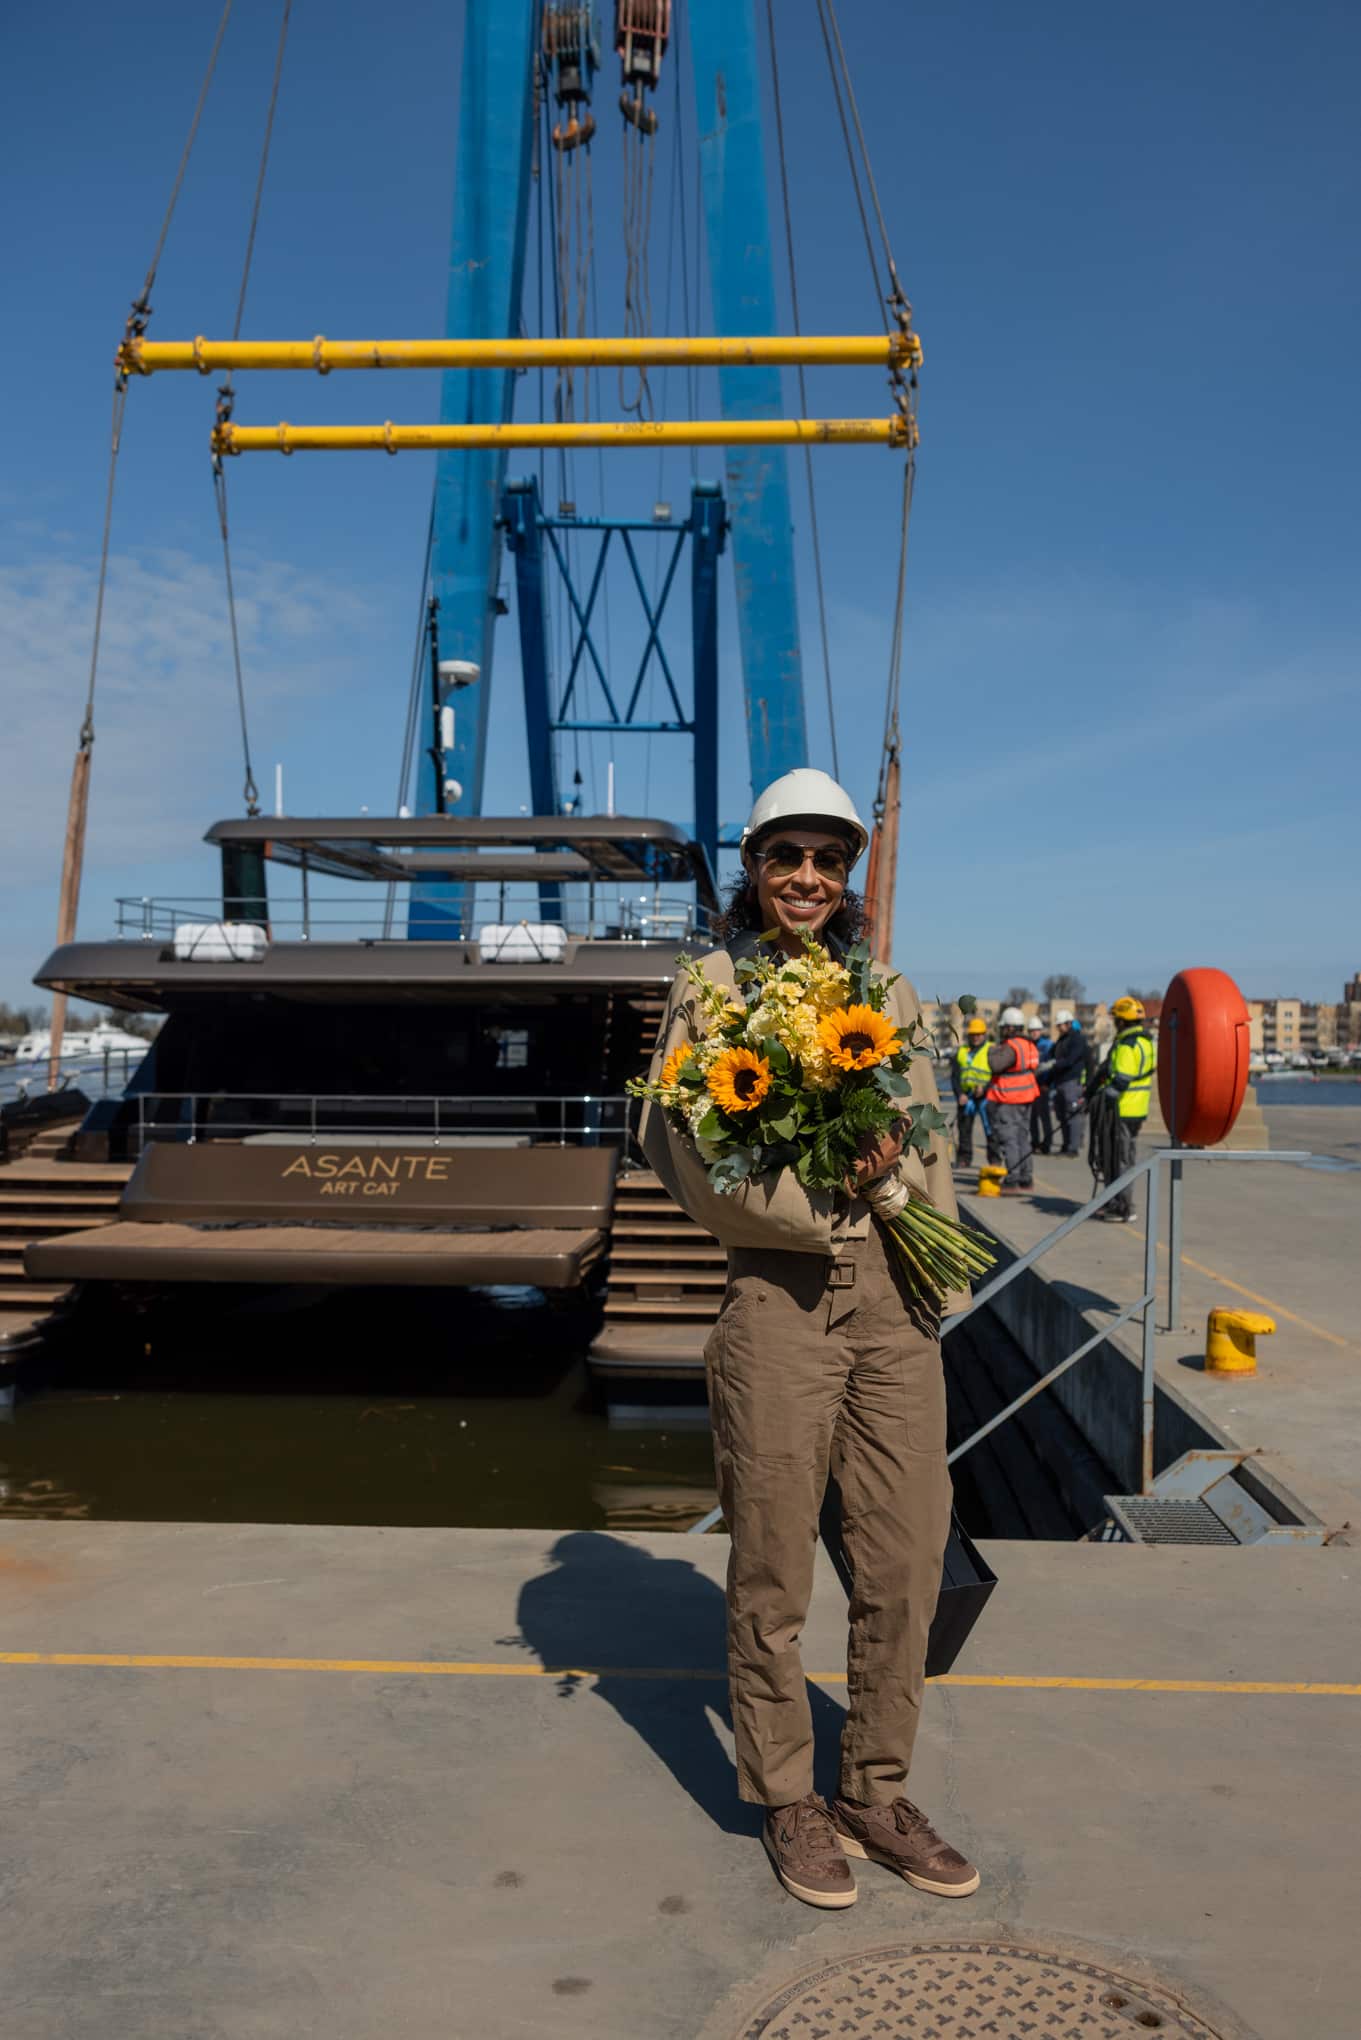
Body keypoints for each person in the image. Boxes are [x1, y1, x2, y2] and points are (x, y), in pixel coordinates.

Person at [640, 767, 980, 1911]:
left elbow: (927, 1134)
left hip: (893, 1300)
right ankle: (787, 1794)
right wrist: (819, 1206)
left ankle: (873, 1792)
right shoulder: (711, 990)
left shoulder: (886, 989)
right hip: (779, 1294)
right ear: (750, 867)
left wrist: (905, 1208)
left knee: (904, 1557)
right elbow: (681, 1146)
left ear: (846, 875)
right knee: (773, 1561)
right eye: (784, 856)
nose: (805, 877)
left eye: (826, 860)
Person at [1089, 996, 1157, 1221]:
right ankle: (1115, 1201)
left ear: (1122, 1020)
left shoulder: (1128, 1045)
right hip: (1136, 1109)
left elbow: (1122, 1079)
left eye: (1116, 1019)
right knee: (1124, 1157)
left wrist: (1102, 1096)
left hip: (1122, 1109)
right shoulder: (1145, 1041)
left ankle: (1121, 1206)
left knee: (1119, 1159)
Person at [983, 1006, 1040, 1193]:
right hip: (1027, 1096)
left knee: (1009, 1139)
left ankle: (1012, 1179)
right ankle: (1026, 1178)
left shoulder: (1010, 1046)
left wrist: (992, 1051)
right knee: (1023, 1138)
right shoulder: (1029, 1044)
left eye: (1003, 1028)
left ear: (1009, 1027)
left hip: (1009, 1098)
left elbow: (995, 1065)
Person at [950, 1015, 992, 1168]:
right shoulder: (961, 1051)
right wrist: (959, 1094)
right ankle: (964, 1158)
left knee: (990, 1129)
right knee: (964, 1129)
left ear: (984, 1034)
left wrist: (984, 1088)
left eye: (979, 1034)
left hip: (985, 1096)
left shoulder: (991, 1050)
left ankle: (994, 1159)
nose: (976, 1037)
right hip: (966, 1097)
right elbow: (955, 1076)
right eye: (973, 1034)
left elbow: (996, 1076)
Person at [1049, 1009, 1092, 1156]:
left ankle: (1073, 1148)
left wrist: (1054, 1064)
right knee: (1062, 1115)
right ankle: (1066, 1145)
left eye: (1060, 1025)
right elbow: (1054, 1056)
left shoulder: (1077, 1039)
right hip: (1060, 1082)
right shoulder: (1061, 1040)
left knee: (1072, 1115)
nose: (1058, 1028)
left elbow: (1071, 1060)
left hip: (1072, 1082)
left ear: (1068, 1024)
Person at [1025, 1014, 1054, 1157]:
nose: (1034, 1033)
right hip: (1030, 1086)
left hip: (1043, 1086)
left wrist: (1047, 1083)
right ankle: (1035, 1142)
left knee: (1044, 1116)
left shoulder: (1048, 1045)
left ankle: (1047, 1144)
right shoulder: (1027, 1045)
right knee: (1032, 1117)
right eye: (1031, 1030)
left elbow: (1052, 1066)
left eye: (1036, 1030)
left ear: (1040, 1030)